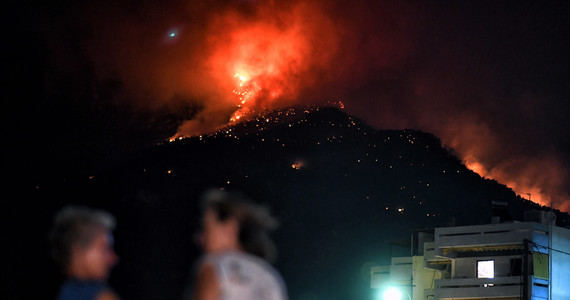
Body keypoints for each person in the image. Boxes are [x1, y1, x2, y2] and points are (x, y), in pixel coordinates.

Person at [189, 189, 288, 300]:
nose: (200, 238)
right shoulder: (271, 277)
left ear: (230, 227)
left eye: (206, 229)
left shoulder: (214, 267)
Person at [49, 205, 120, 300]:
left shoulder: (65, 292)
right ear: (78, 252)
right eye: (105, 249)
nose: (114, 258)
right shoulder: (100, 296)